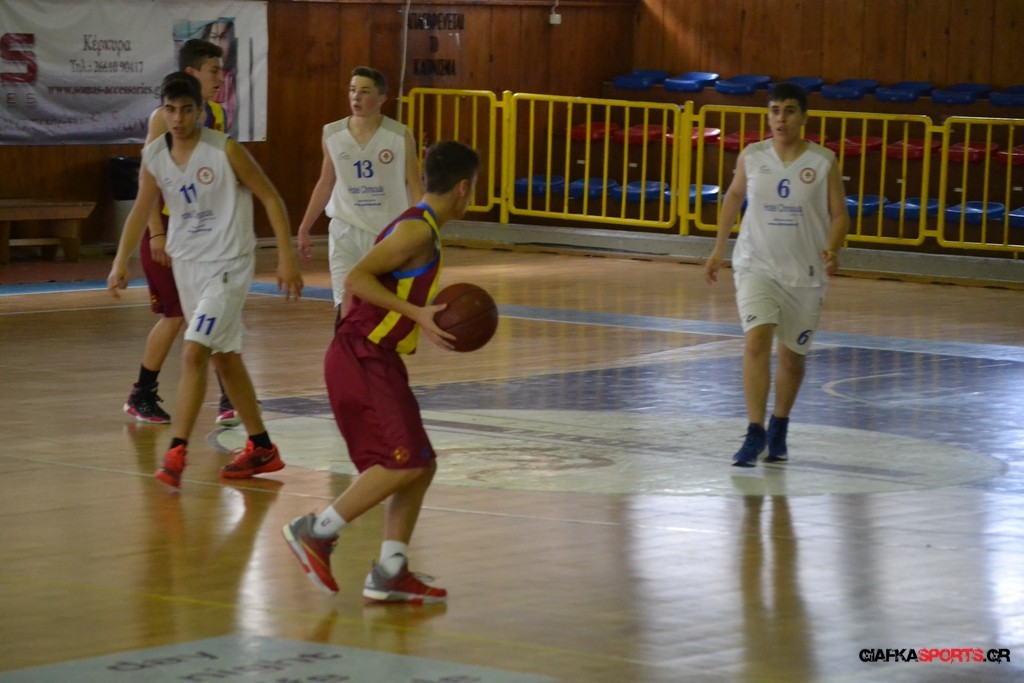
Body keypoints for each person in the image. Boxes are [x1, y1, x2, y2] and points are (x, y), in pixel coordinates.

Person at [283, 140, 479, 601]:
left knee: (421, 463)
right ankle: (316, 531)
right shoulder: (416, 231)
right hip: (361, 354)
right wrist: (417, 315)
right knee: (401, 462)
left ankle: (391, 571)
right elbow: (356, 279)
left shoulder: (421, 226)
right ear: (463, 189)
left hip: (376, 356)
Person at [108, 72, 303, 489]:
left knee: (194, 351)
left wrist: (287, 258)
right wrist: (120, 261)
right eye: (171, 110)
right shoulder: (155, 156)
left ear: (201, 111)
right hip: (188, 267)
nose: (178, 119)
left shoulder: (224, 149)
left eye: (187, 110)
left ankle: (176, 451)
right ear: (162, 111)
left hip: (228, 265)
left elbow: (270, 197)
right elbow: (141, 209)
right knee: (225, 358)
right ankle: (262, 447)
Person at [703, 83, 848, 468]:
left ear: (803, 117)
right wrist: (718, 249)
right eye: (775, 111)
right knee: (756, 341)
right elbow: (734, 197)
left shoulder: (823, 161)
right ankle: (754, 431)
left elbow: (839, 215)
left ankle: (779, 425)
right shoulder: (752, 156)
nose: (781, 119)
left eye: (789, 111)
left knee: (791, 357)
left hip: (804, 274)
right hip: (756, 265)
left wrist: (833, 249)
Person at [123, 38, 245, 427]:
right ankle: (142, 393)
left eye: (222, 71)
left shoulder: (216, 115)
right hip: (167, 232)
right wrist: (156, 233)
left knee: (212, 312)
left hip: (201, 235)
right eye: (213, 70)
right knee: (177, 315)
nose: (220, 78)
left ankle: (228, 396)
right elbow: (148, 182)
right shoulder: (164, 118)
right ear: (191, 73)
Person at [296, 66, 424, 319]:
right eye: (353, 90)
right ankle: (344, 344)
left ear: (381, 98)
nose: (356, 96)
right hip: (345, 232)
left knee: (381, 308)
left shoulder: (399, 135)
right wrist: (304, 227)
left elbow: (416, 187)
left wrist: (421, 232)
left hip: (387, 233)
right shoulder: (332, 134)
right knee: (345, 304)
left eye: (364, 91)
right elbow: (325, 182)